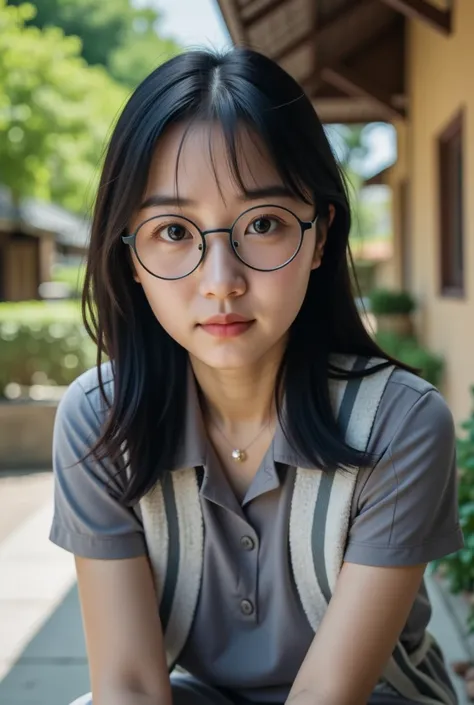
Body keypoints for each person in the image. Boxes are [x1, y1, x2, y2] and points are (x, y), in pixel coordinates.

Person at [49, 48, 464, 705]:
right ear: (128, 253)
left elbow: (330, 693)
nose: (221, 283)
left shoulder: (400, 423)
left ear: (321, 235)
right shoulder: (101, 423)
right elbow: (128, 683)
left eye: (264, 223)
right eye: (174, 231)